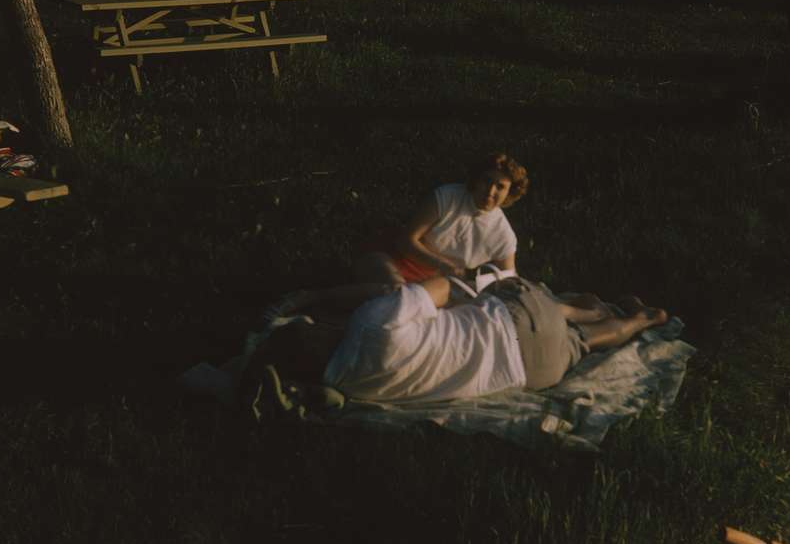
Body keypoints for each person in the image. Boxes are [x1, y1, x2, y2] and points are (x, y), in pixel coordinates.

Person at [249, 275, 670, 411]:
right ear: (318, 330)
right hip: (520, 321)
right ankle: (591, 309)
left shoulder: (352, 387)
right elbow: (442, 289)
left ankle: (636, 321)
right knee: (507, 295)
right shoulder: (371, 325)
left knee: (580, 344)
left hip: (531, 373)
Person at [264, 153, 529, 321]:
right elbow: (407, 241)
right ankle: (312, 296)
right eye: (487, 181)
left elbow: (508, 280)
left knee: (412, 315)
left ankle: (331, 317)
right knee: (395, 293)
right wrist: (445, 266)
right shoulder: (447, 196)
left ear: (510, 193)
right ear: (476, 180)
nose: (490, 191)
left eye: (500, 187)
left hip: (435, 283)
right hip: (393, 257)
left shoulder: (503, 235)